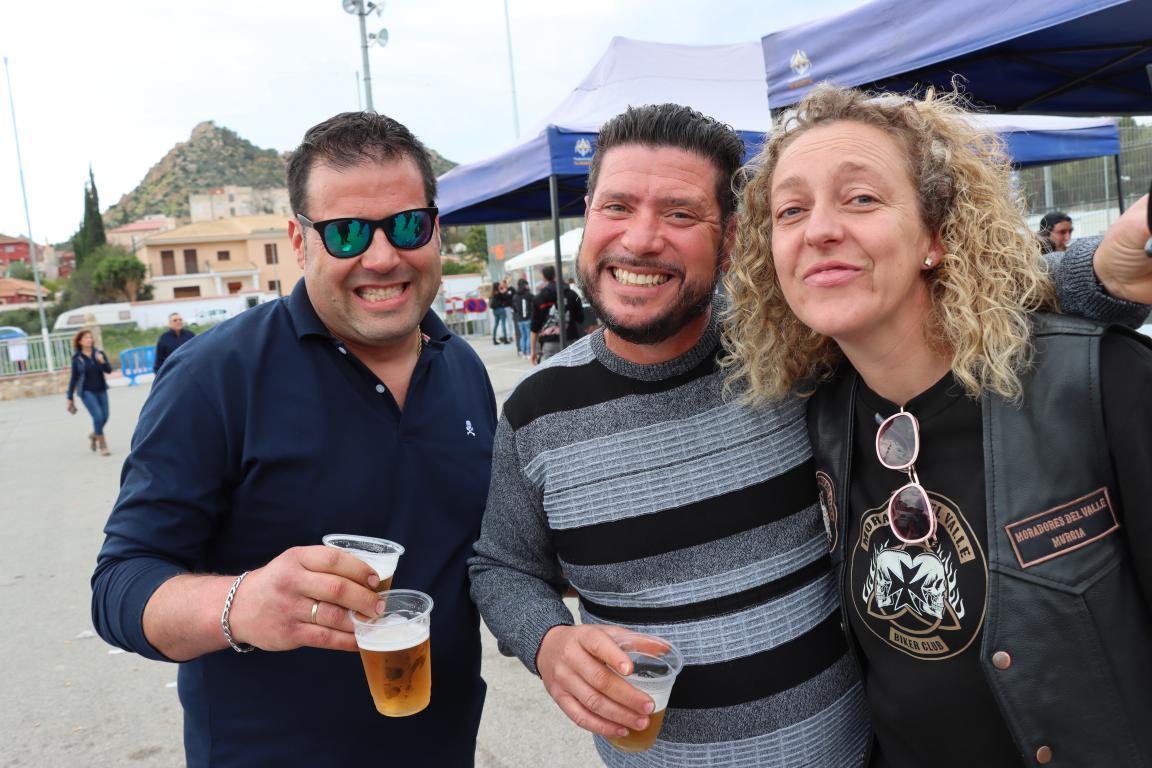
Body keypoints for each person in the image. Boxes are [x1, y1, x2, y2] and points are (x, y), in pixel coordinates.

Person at [469, 102, 1151, 768]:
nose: (642, 239)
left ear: (731, 241)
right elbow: (501, 565)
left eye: (680, 213)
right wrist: (547, 641)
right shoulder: (538, 409)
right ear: (588, 216)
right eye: (617, 206)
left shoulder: (786, 361)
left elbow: (937, 295)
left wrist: (1096, 273)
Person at [724, 84, 1152, 767]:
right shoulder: (815, 414)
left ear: (937, 236)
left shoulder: (1098, 381)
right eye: (791, 210)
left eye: (861, 198)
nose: (818, 230)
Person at [91, 112, 496, 767]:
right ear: (298, 242)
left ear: (435, 230)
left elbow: (482, 556)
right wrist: (240, 603)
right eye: (346, 233)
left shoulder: (464, 369)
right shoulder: (213, 377)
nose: (383, 257)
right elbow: (120, 586)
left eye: (407, 226)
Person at [66, 327, 112, 456]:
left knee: (105, 416)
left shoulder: (99, 353)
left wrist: (102, 362)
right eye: (86, 337)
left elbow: (108, 370)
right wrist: (69, 397)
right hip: (86, 391)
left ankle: (94, 435)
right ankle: (102, 445)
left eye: (90, 337)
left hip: (101, 389)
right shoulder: (77, 358)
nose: (89, 339)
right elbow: (73, 378)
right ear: (80, 341)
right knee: (98, 416)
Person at [530, 263, 584, 363]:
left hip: (549, 343)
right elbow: (580, 318)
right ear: (556, 275)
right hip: (570, 342)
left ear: (544, 277)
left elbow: (534, 327)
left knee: (552, 372)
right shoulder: (572, 294)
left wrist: (533, 351)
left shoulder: (539, 298)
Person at [511, 277, 534, 357]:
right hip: (528, 318)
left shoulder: (515, 296)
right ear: (525, 285)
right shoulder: (528, 295)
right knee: (528, 336)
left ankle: (523, 352)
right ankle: (528, 352)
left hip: (519, 319)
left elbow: (514, 308)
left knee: (523, 336)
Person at [490, 279, 513, 344]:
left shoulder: (492, 293)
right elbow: (505, 298)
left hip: (495, 311)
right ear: (498, 286)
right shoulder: (500, 292)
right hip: (501, 309)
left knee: (496, 324)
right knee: (503, 324)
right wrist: (504, 291)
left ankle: (494, 339)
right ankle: (505, 339)